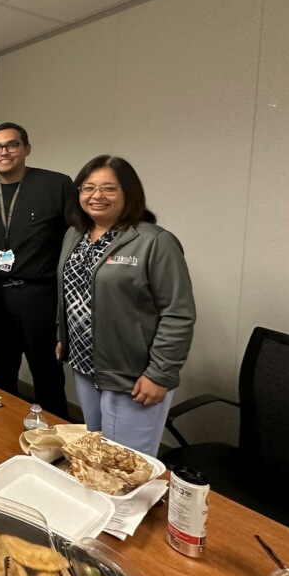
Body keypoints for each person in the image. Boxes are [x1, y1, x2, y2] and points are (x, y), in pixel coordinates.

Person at [56, 155, 196, 457]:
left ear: (129, 193)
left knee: (127, 467)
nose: (96, 196)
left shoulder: (155, 242)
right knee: (97, 455)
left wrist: (160, 373)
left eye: (109, 188)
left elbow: (178, 313)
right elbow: (70, 292)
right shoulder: (74, 235)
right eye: (88, 187)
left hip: (133, 376)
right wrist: (62, 335)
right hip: (85, 367)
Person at [0, 123, 73, 418]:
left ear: (27, 148)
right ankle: (4, 440)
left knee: (48, 376)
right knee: (1, 375)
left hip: (39, 296)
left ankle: (55, 447)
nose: (4, 152)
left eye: (12, 145)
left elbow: (78, 237)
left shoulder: (56, 186)